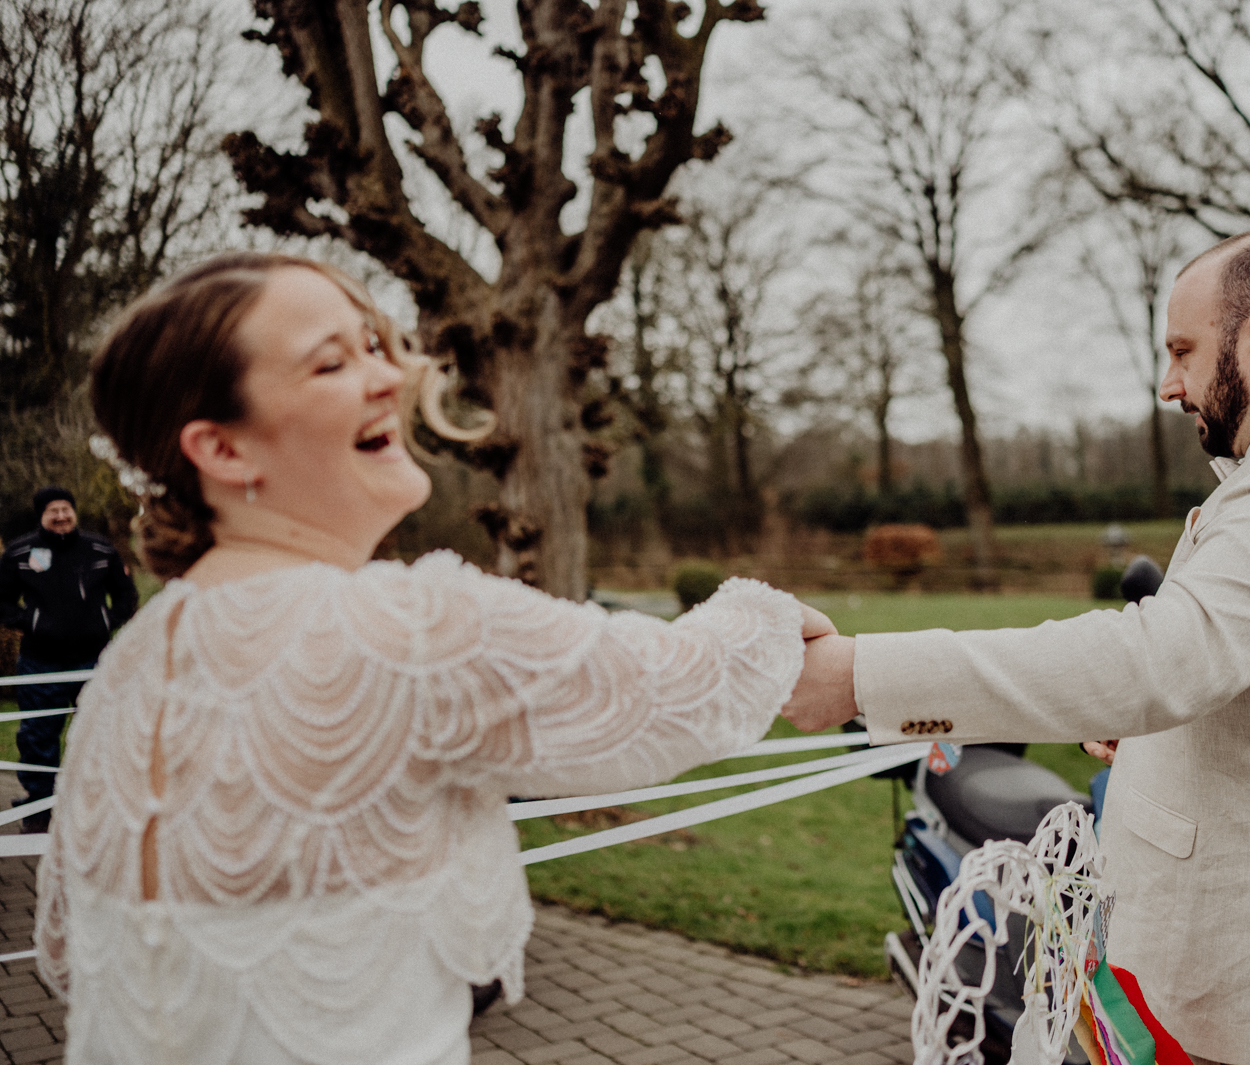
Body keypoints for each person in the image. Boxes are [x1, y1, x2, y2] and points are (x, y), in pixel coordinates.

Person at [34, 251, 836, 1065]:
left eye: (375, 346)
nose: (393, 376)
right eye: (333, 361)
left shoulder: (128, 667)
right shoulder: (407, 628)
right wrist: (766, 615)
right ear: (223, 449)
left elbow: (70, 954)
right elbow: (675, 692)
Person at [784, 234, 1250, 1065]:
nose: (1168, 384)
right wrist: (1156, 734)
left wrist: (861, 674)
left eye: (1183, 350)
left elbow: (1153, 657)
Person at [0, 486, 138, 832]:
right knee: (37, 737)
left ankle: (97, 805)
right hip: (39, 663)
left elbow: (126, 597)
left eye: (66, 509)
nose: (61, 516)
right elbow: (1, 601)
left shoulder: (100, 549)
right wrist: (29, 624)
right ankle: (38, 807)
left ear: (73, 512)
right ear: (41, 516)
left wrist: (107, 621)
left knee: (98, 735)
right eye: (53, 511)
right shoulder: (20, 553)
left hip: (93, 662)